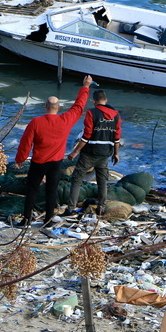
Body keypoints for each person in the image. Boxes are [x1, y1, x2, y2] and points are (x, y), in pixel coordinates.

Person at [15, 75, 92, 227]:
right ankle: (48, 220)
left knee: (32, 190)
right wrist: (86, 87)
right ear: (59, 108)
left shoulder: (36, 122)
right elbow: (79, 106)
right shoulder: (65, 120)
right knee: (52, 191)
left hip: (38, 162)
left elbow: (26, 142)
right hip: (56, 163)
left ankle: (26, 220)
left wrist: (20, 159)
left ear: (45, 106)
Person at [66, 89, 121, 216]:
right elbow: (117, 137)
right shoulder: (116, 115)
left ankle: (71, 208)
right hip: (105, 153)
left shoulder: (91, 113)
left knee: (77, 179)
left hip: (89, 153)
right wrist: (116, 154)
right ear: (106, 100)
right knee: (102, 181)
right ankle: (101, 207)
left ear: (94, 101)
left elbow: (86, 136)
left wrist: (75, 152)